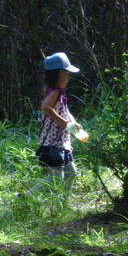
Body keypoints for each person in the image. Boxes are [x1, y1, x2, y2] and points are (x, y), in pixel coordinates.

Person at [36, 52, 84, 187]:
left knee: (71, 173)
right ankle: (26, 196)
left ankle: (64, 199)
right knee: (56, 178)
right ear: (57, 74)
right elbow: (45, 107)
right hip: (53, 142)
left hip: (61, 142)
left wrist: (73, 122)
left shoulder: (59, 91)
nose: (68, 77)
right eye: (66, 74)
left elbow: (65, 110)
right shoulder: (55, 91)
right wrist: (61, 121)